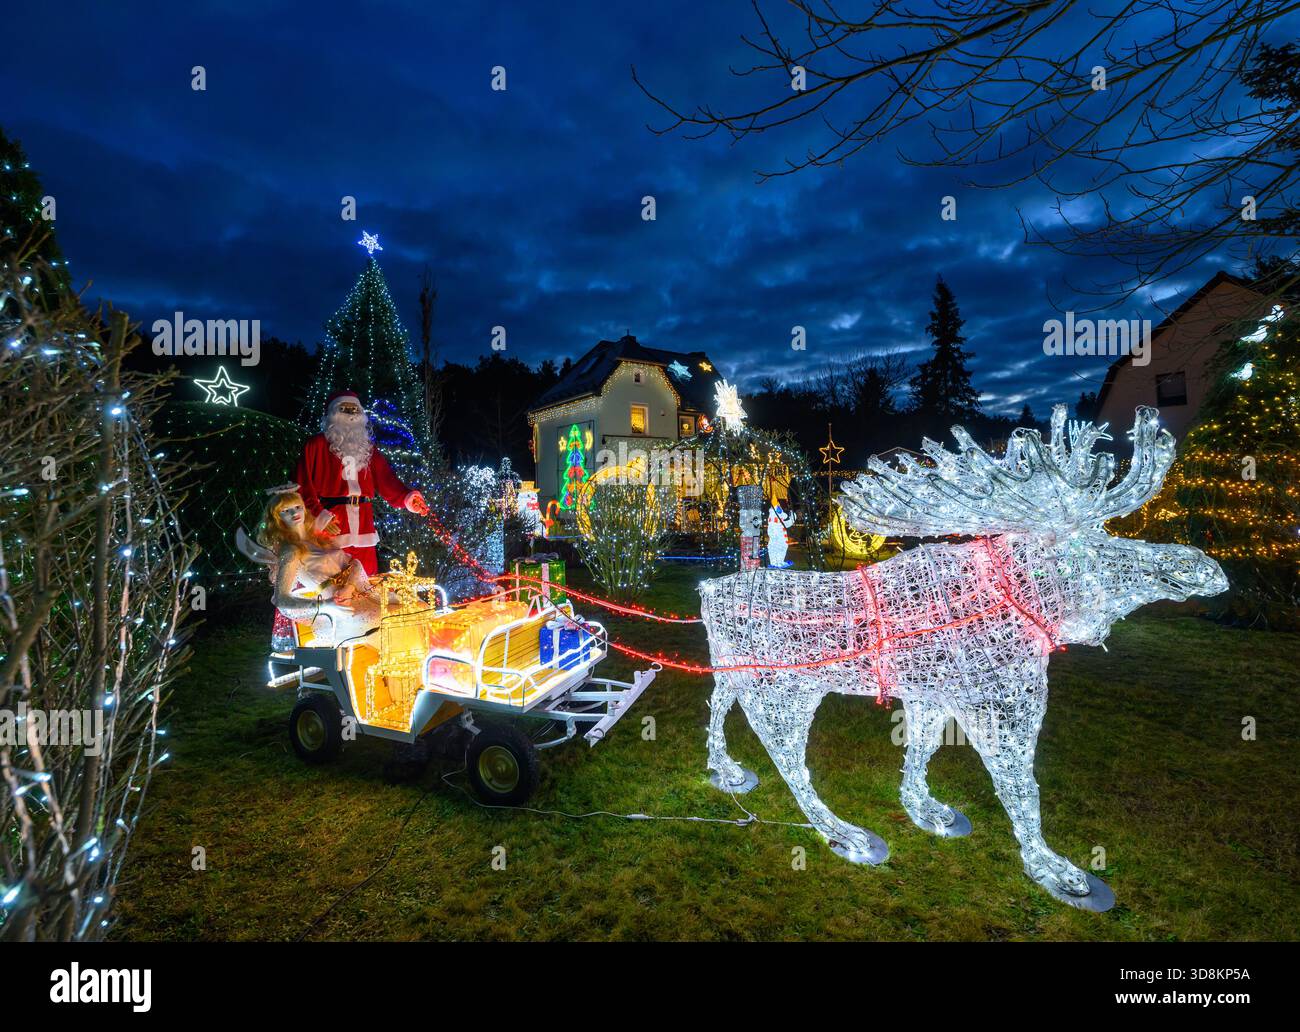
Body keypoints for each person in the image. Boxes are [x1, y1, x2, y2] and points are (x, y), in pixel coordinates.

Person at [294, 389, 429, 575]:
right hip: (333, 524)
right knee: (332, 582)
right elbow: (302, 486)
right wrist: (319, 516)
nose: (350, 414)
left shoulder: (368, 449)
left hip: (364, 525)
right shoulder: (315, 445)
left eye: (354, 409)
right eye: (344, 408)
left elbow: (386, 479)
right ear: (333, 413)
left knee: (366, 582)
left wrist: (407, 497)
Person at [243, 485, 380, 648]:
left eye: (297, 507)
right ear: (277, 518)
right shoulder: (291, 551)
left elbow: (354, 564)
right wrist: (326, 605)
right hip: (339, 612)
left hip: (358, 595)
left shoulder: (317, 539)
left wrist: (349, 587)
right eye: (285, 511)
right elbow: (281, 599)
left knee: (410, 610)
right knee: (386, 622)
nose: (294, 513)